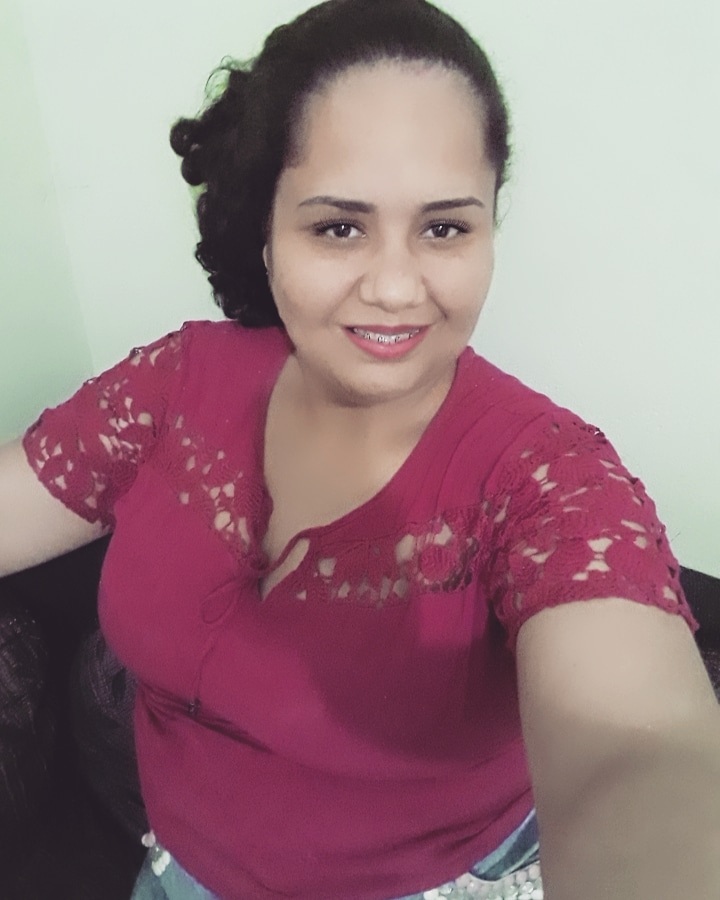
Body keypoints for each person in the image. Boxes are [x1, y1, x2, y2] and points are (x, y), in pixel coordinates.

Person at [1, 0, 719, 897]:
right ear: (268, 235)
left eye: (445, 227)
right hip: (176, 868)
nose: (395, 286)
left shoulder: (549, 480)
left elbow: (638, 756)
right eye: (339, 226)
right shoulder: (174, 386)